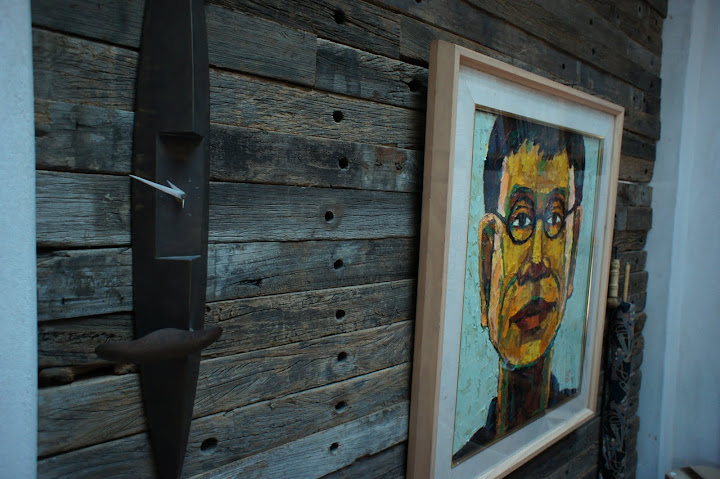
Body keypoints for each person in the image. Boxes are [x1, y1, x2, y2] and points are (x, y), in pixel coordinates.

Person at [453, 115, 585, 462]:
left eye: (554, 219)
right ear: (487, 259)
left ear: (572, 250)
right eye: (521, 220)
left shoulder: (574, 411)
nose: (537, 261)